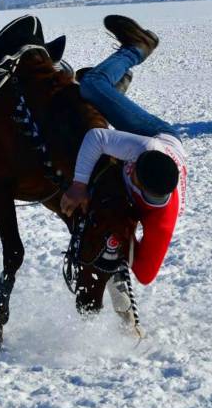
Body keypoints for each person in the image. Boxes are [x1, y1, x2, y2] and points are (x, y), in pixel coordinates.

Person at [61, 16, 187, 304]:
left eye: (131, 173)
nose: (127, 171)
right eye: (128, 167)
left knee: (94, 89)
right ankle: (137, 48)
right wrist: (79, 185)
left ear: (140, 183)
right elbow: (97, 138)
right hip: (160, 134)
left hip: (158, 155)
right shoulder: (146, 148)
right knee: (91, 85)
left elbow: (144, 274)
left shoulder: (162, 222)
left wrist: (123, 240)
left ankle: (120, 83)